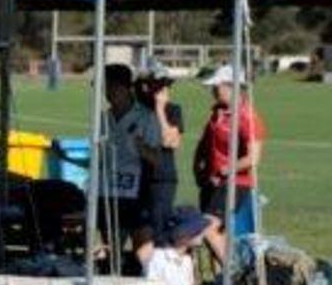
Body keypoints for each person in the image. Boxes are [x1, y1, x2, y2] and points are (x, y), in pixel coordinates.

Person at [95, 62, 161, 253]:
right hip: (108, 192)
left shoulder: (146, 117)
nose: (107, 92)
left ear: (125, 87)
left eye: (111, 86)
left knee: (142, 252)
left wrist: (141, 148)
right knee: (112, 250)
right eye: (104, 87)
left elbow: (156, 160)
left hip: (135, 193)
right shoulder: (103, 118)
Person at [193, 64, 263, 238]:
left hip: (235, 183)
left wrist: (224, 171)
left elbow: (252, 158)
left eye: (217, 87)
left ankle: (231, 260)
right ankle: (225, 258)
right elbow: (204, 144)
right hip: (211, 182)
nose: (213, 91)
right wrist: (198, 169)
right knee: (212, 233)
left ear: (232, 87)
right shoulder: (217, 113)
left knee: (208, 229)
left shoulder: (247, 117)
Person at [132, 66, 186, 230]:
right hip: (137, 176)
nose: (164, 90)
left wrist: (160, 110)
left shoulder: (173, 110)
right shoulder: (138, 110)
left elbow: (171, 142)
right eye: (159, 85)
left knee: (159, 226)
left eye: (166, 85)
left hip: (162, 179)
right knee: (138, 227)